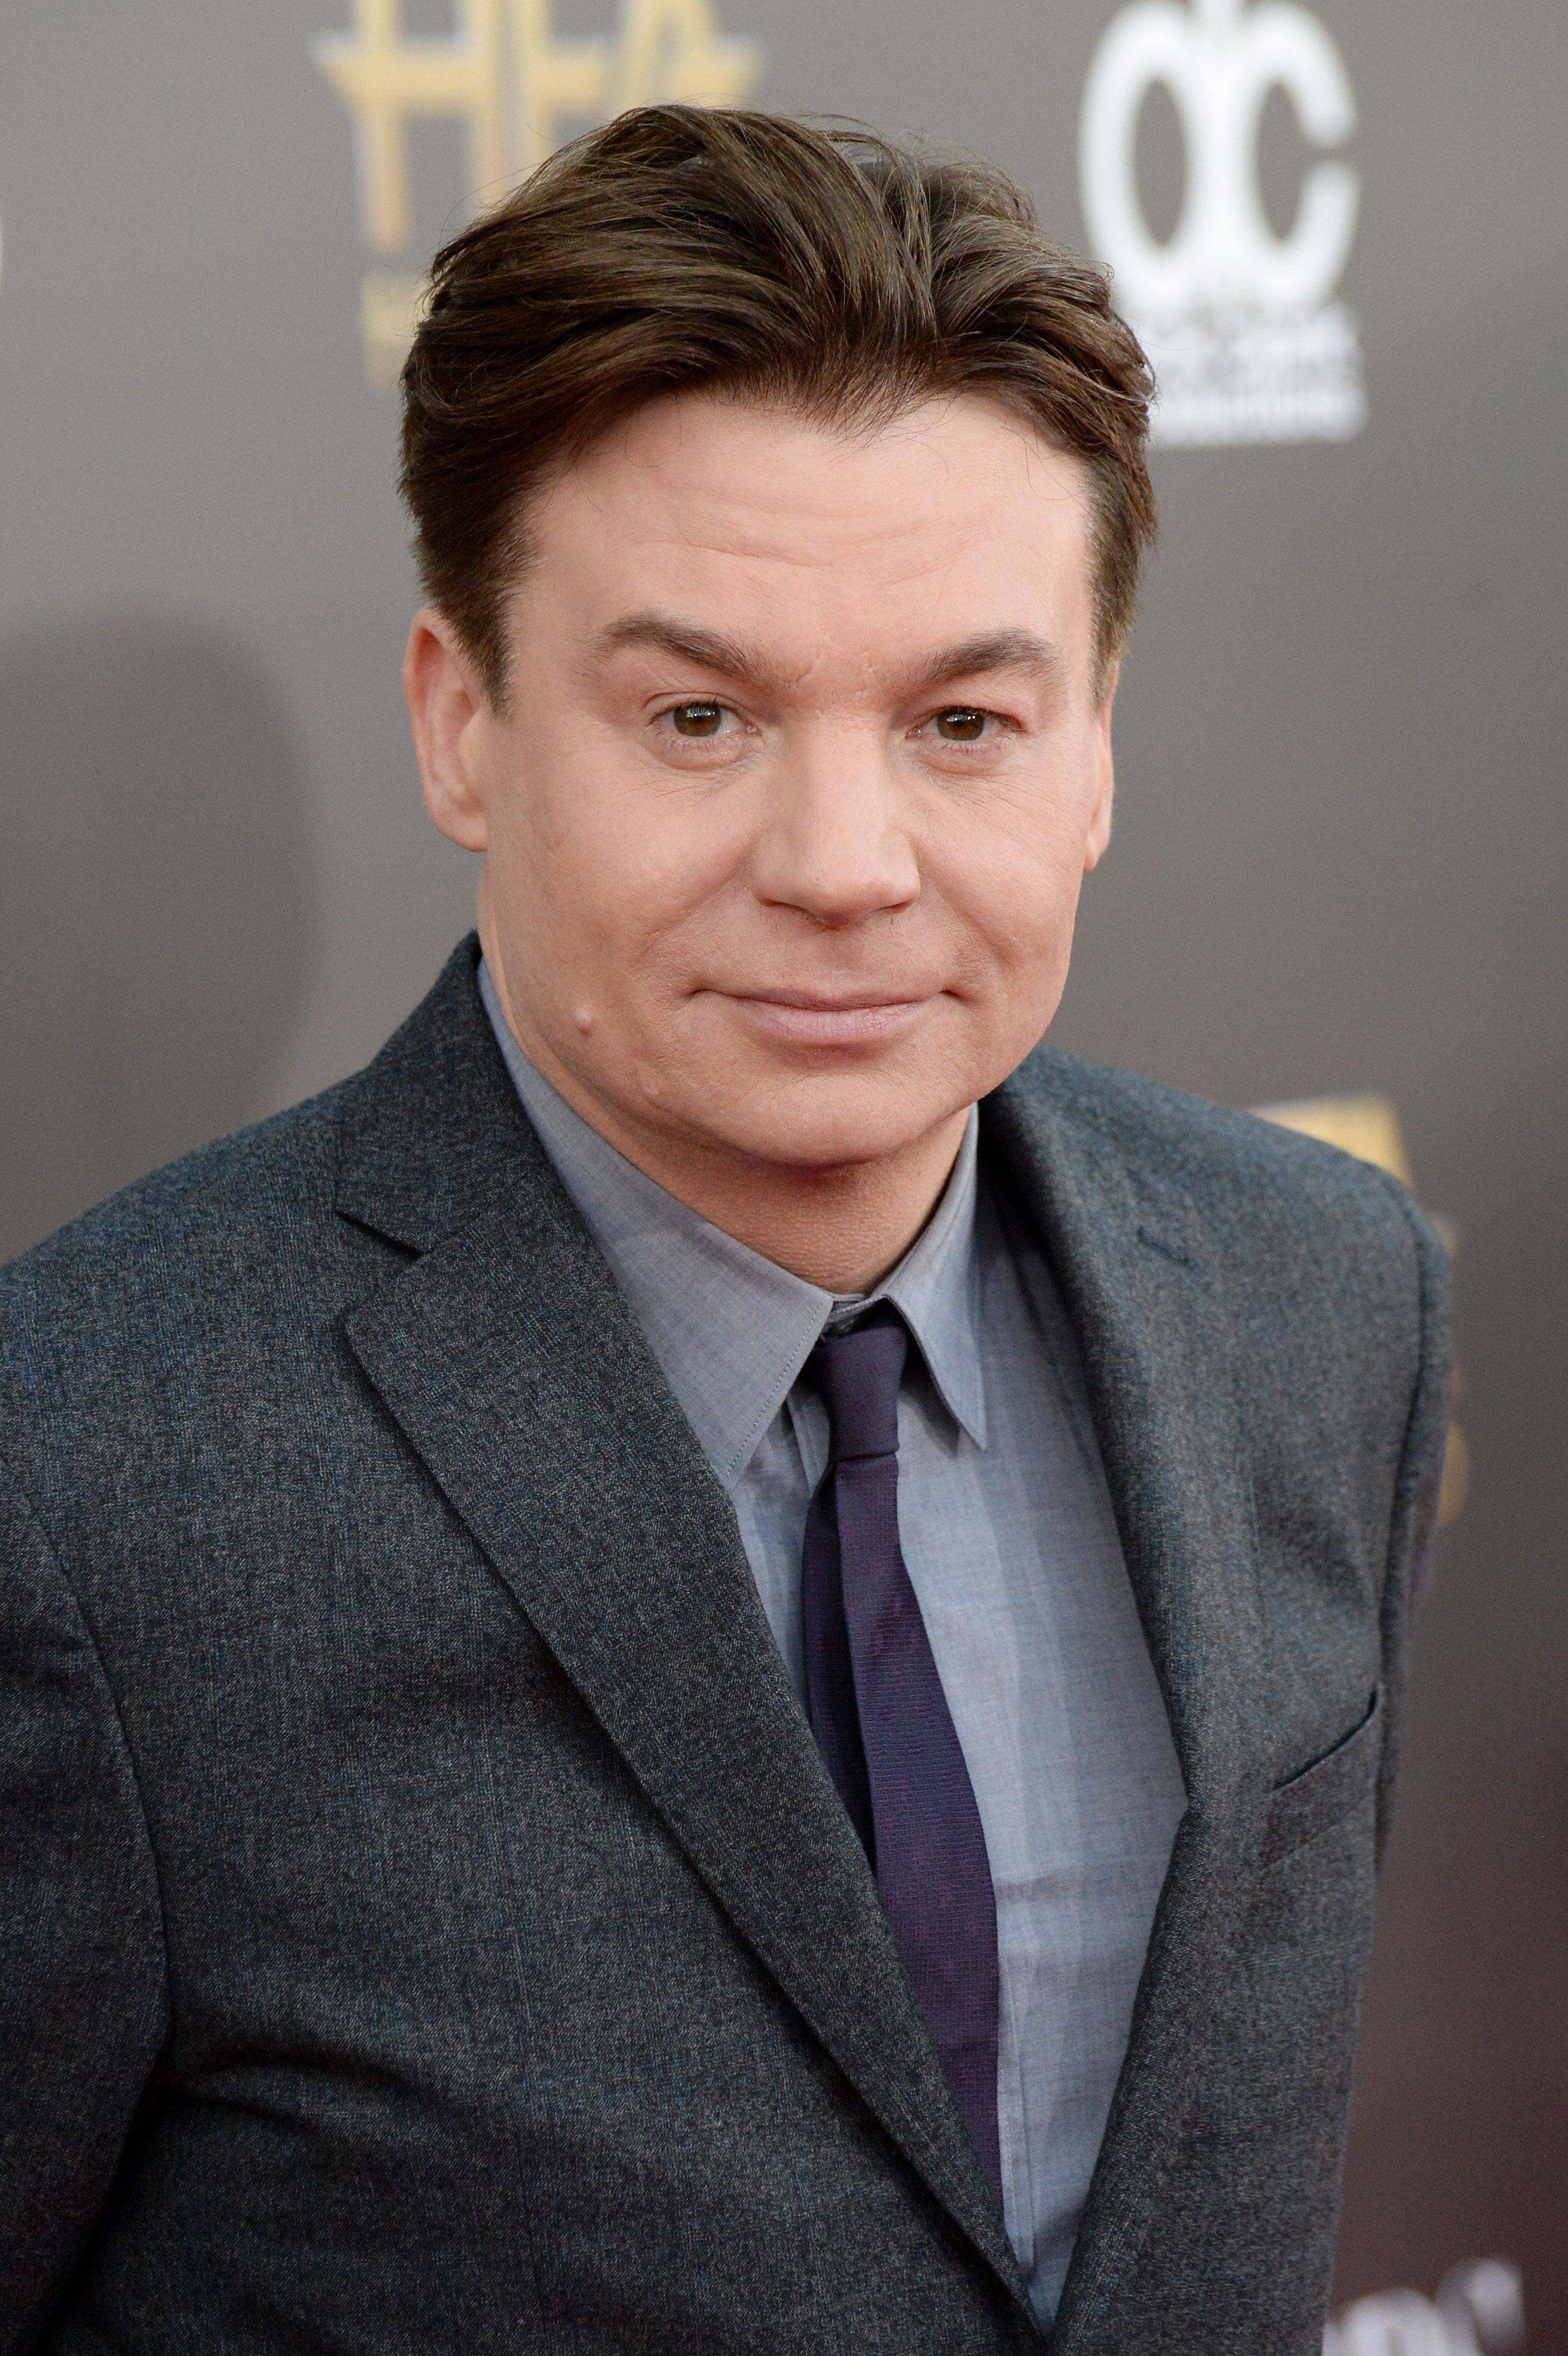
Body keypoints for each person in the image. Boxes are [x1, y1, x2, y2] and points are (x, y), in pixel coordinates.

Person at [0, 106, 1449, 2356]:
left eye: (964, 720)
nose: (848, 859)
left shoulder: (1318, 1295)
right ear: (461, 723)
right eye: (698, 715)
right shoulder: (80, 1478)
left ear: (1093, 754)